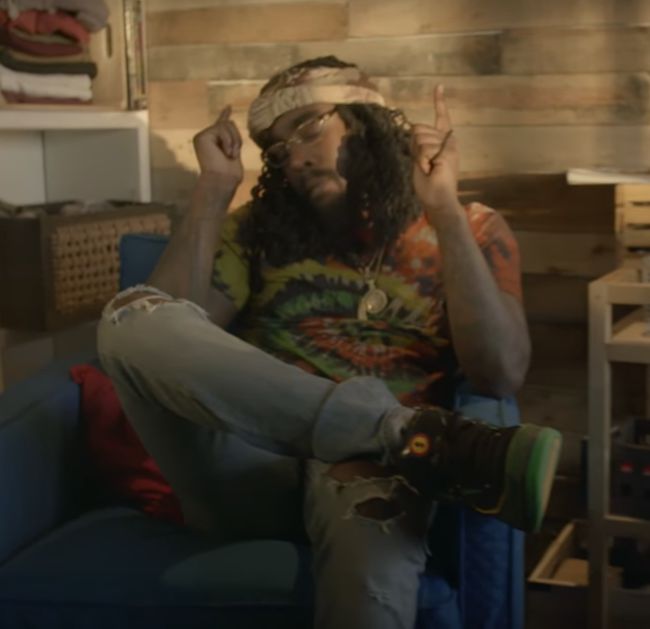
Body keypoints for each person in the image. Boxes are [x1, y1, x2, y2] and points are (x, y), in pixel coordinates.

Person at [97, 56, 562, 629]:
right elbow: (167, 327)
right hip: (248, 470)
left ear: (368, 122)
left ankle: (391, 440)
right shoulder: (255, 230)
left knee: (370, 509)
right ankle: (400, 430)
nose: (292, 159)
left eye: (309, 128)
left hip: (367, 475)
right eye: (276, 150)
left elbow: (500, 373)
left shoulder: (470, 226)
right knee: (128, 318)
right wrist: (214, 192)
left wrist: (444, 211)